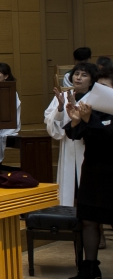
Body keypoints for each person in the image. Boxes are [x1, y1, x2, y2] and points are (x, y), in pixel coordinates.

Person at [64, 65, 113, 279]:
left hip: (112, 173)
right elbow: (74, 135)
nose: (99, 92)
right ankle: (90, 267)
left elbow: (108, 136)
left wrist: (87, 119)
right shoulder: (91, 110)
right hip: (92, 171)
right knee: (88, 220)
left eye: (105, 88)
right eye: (98, 87)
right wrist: (76, 119)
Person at [45, 62, 98, 206]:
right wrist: (60, 108)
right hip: (68, 146)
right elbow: (51, 123)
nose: (78, 78)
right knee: (69, 187)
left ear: (91, 80)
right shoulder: (63, 96)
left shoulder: (95, 98)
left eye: (84, 75)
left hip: (87, 148)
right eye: (76, 74)